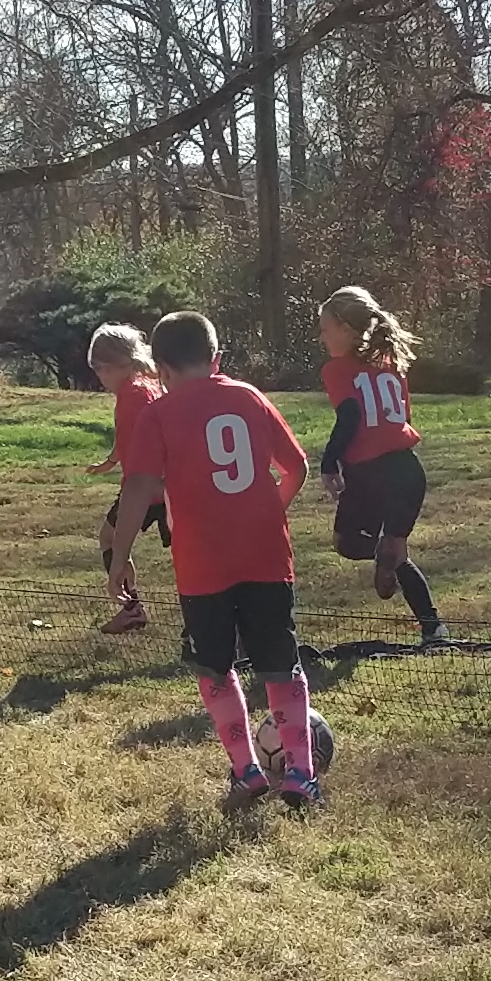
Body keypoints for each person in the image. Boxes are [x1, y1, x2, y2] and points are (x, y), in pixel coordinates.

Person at [105, 309, 323, 812]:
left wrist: (122, 556)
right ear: (217, 357)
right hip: (266, 556)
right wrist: (270, 512)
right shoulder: (248, 397)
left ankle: (246, 771)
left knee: (216, 667)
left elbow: (138, 485)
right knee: (280, 665)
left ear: (159, 369)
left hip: (202, 565)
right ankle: (301, 775)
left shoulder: (158, 414)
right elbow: (296, 466)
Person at [317, 284, 447, 644]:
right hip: (406, 469)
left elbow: (351, 415)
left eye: (326, 329)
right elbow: (398, 415)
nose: (322, 336)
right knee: (392, 550)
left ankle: (385, 558)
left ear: (345, 329)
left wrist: (329, 463)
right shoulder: (391, 365)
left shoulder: (337, 370)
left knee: (348, 543)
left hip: (368, 472)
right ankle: (433, 626)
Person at [85, 323, 167, 634]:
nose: (100, 378)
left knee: (110, 538)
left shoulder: (133, 394)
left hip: (147, 489)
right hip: (160, 486)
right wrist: (109, 462)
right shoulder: (149, 385)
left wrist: (150, 484)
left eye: (100, 369)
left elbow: (150, 442)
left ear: (116, 365)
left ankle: (131, 608)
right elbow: (128, 438)